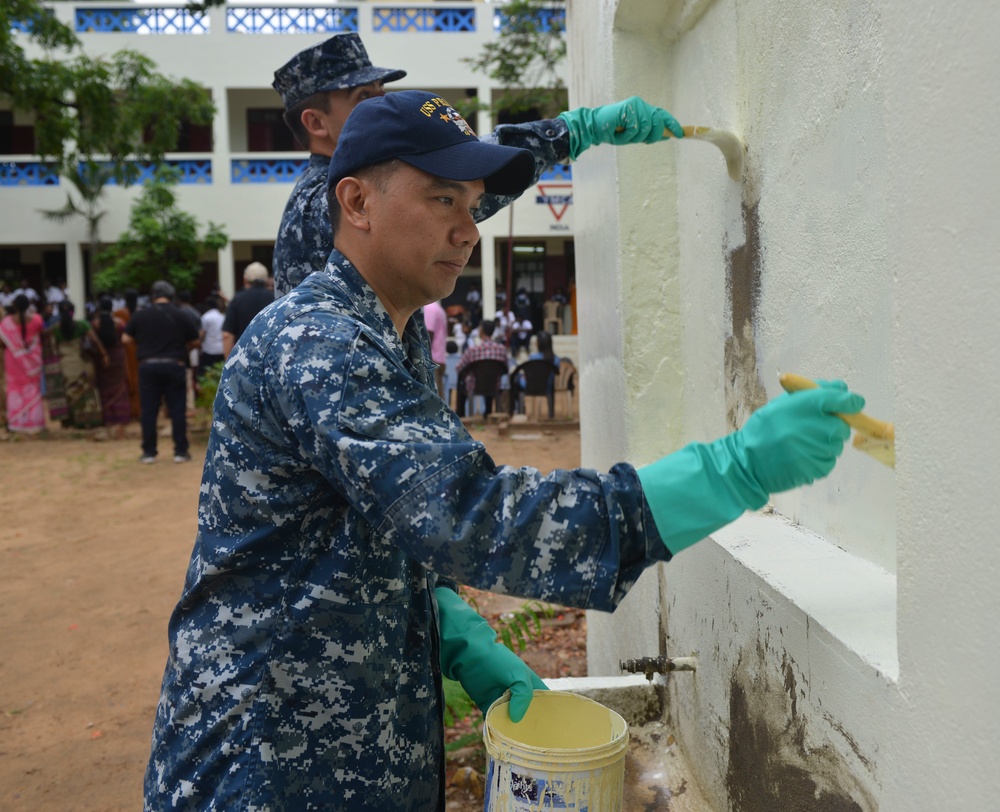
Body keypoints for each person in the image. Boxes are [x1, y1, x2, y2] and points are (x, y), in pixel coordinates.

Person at [144, 91, 864, 811]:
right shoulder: (321, 343)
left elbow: (373, 520)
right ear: (357, 202)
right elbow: (473, 515)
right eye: (442, 201)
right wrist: (733, 471)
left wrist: (447, 623)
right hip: (267, 767)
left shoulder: (383, 332)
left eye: (474, 204)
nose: (468, 231)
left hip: (337, 751)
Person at [270, 33, 684, 298]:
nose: (467, 233)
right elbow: (450, 170)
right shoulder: (315, 206)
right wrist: (574, 131)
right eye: (364, 97)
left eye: (383, 91)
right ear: (316, 122)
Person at [123, 280, 200, 464]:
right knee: (177, 410)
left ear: (153, 296)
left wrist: (142, 347)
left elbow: (125, 339)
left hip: (148, 366)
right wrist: (184, 350)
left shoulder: (141, 315)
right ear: (171, 295)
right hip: (174, 365)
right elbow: (196, 341)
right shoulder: (180, 314)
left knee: (149, 410)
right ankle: (180, 451)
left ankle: (149, 452)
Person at [49, 300, 105, 429]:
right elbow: (95, 341)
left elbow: (53, 349)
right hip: (80, 362)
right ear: (73, 312)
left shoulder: (55, 329)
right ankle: (86, 419)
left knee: (68, 392)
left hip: (64, 365)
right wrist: (104, 355)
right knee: (84, 390)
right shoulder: (82, 325)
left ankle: (69, 421)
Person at [0, 293, 46, 434]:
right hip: (33, 363)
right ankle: (34, 423)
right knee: (33, 390)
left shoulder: (6, 323)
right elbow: (41, 336)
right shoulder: (37, 320)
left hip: (13, 362)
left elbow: (2, 343)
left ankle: (16, 423)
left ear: (13, 306)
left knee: (15, 389)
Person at [90, 296, 131, 439]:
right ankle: (120, 422)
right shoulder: (120, 323)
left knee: (104, 388)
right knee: (119, 387)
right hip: (118, 357)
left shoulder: (95, 324)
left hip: (102, 359)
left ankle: (108, 420)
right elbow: (126, 339)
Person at [454, 317, 511, 417]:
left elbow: (458, 368)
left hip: (475, 386)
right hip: (495, 385)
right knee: (490, 377)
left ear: (482, 330)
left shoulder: (473, 350)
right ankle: (488, 411)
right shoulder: (502, 349)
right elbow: (506, 369)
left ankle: (461, 415)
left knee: (462, 380)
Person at [222, 262, 273, 357]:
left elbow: (227, 335)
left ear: (245, 279)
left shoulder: (237, 299)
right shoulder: (275, 299)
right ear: (266, 280)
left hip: (243, 359)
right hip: (270, 359)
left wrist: (228, 363)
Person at [422, 299, 448, 400]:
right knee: (438, 394)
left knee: (434, 396)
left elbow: (428, 335)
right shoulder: (437, 308)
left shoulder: (430, 308)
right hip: (438, 357)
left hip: (432, 358)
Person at [198, 294, 225, 381]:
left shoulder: (206, 317)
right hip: (221, 349)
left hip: (209, 349)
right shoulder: (222, 316)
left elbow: (202, 334)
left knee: (205, 374)